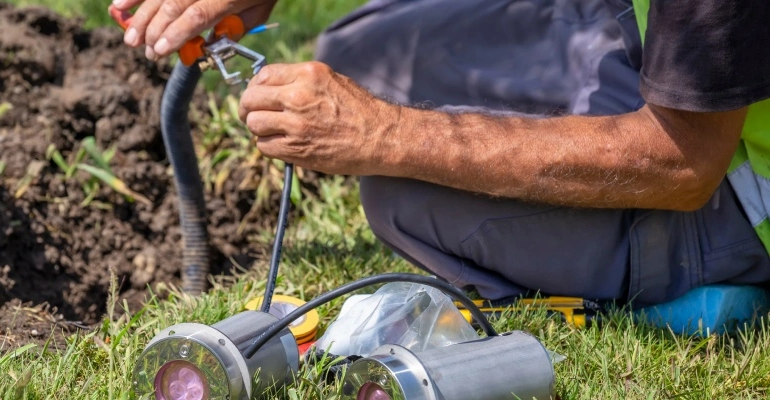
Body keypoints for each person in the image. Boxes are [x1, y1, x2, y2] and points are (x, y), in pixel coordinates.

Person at [109, 0, 770, 307]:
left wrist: (384, 135)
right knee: (358, 54)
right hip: (655, 39)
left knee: (406, 192)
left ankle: (697, 272)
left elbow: (681, 163)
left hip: (732, 188)